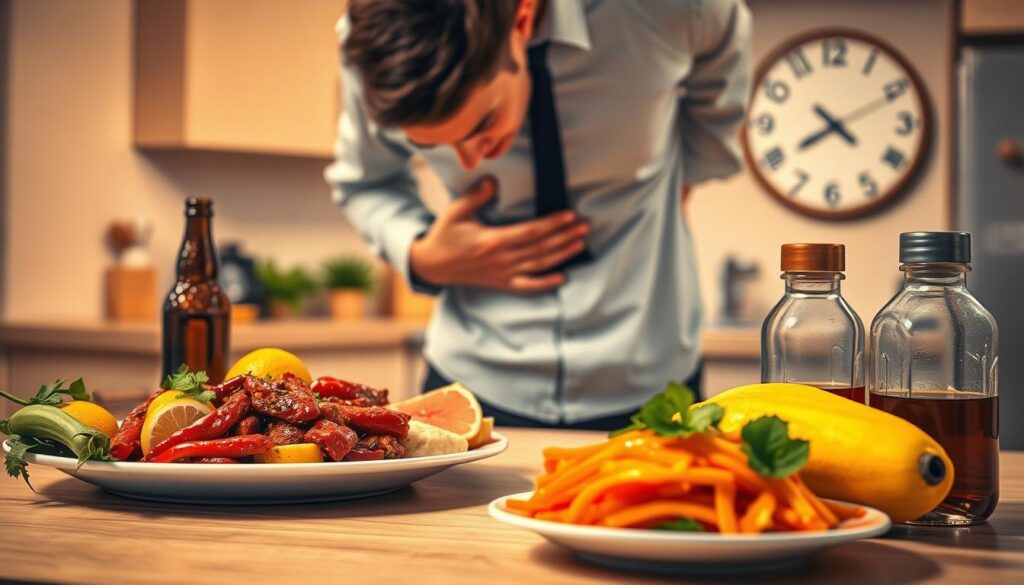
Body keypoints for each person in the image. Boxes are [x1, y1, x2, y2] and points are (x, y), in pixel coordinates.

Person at [325, 0, 752, 430]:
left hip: (652, 375)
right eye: (435, 145)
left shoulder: (672, 8)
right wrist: (423, 257)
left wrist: (673, 192)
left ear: (523, 18)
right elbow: (365, 181)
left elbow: (718, 105)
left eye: (482, 123)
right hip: (472, 379)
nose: (470, 161)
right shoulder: (374, 44)